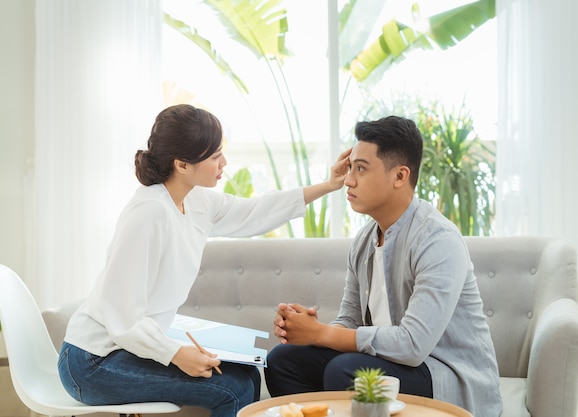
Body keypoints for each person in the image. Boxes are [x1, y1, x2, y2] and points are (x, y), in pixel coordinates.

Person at [57, 104, 351, 417]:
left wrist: (328, 185)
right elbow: (122, 316)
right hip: (93, 362)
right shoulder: (148, 214)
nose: (223, 163)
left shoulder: (196, 200)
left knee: (247, 375)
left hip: (125, 351)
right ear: (182, 164)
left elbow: (255, 212)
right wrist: (176, 354)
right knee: (232, 389)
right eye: (214, 157)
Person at [264, 116, 502, 417]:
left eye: (360, 168)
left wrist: (322, 334)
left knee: (349, 372)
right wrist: (306, 328)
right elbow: (349, 320)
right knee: (284, 360)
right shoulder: (365, 240)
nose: (349, 180)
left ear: (400, 176)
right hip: (390, 363)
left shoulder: (437, 239)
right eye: (350, 168)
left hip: (442, 373)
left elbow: (413, 345)